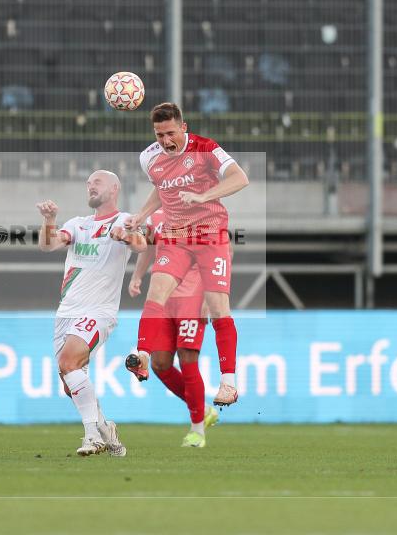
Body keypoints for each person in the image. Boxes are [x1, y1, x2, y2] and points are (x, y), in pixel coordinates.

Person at [124, 102, 249, 408]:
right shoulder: (148, 158)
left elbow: (239, 178)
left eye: (169, 133)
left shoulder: (206, 148)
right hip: (176, 236)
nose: (165, 141)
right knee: (155, 294)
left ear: (183, 127)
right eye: (158, 134)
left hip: (211, 235)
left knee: (220, 307)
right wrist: (141, 215)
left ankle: (228, 384)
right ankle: (141, 355)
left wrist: (203, 195)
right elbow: (162, 188)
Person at [37, 170, 146, 457]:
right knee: (69, 380)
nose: (90, 186)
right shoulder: (77, 224)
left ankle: (91, 438)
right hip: (66, 313)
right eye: (88, 183)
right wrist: (49, 220)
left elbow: (142, 244)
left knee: (69, 362)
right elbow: (48, 244)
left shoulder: (123, 220)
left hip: (98, 311)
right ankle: (106, 429)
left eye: (96, 182)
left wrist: (126, 237)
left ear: (114, 189)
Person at [128, 208, 219, 448]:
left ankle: (197, 430)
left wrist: (212, 296)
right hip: (163, 300)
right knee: (159, 364)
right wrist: (137, 275)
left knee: (187, 359)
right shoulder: (156, 217)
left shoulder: (201, 213)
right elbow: (148, 246)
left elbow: (222, 252)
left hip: (193, 297)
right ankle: (204, 409)